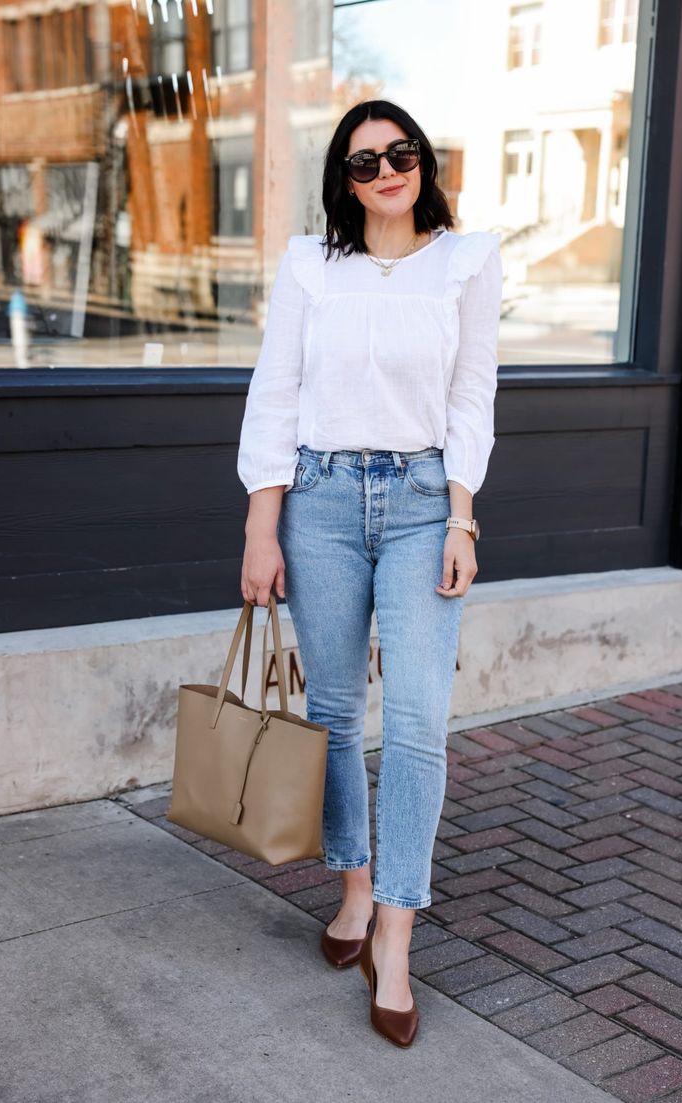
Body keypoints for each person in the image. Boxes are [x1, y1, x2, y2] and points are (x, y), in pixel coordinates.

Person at [237, 99, 502, 1048]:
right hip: (318, 500)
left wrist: (464, 517)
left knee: (421, 723)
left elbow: (473, 395)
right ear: (342, 181)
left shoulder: (466, 261)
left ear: (424, 160)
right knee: (337, 715)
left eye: (401, 153)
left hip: (428, 500)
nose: (386, 170)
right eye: (363, 161)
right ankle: (352, 891)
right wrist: (261, 526)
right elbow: (276, 389)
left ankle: (397, 933)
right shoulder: (312, 264)